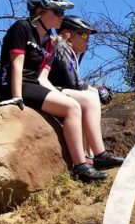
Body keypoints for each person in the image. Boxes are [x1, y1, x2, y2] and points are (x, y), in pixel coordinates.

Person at [0, 0, 108, 182]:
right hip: (13, 83)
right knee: (71, 107)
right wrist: (16, 96)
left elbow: (43, 78)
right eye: (57, 11)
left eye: (62, 12)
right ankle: (80, 166)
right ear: (40, 10)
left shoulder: (49, 40)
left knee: (82, 101)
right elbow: (16, 65)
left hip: (34, 84)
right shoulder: (22, 28)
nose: (61, 16)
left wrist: (60, 95)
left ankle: (99, 155)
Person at [48, 14, 123, 169]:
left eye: (88, 36)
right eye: (83, 35)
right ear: (68, 34)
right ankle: (95, 155)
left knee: (89, 98)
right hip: (51, 93)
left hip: (58, 94)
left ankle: (90, 156)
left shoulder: (69, 51)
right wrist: (97, 90)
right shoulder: (61, 46)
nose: (87, 39)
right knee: (89, 98)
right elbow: (72, 83)